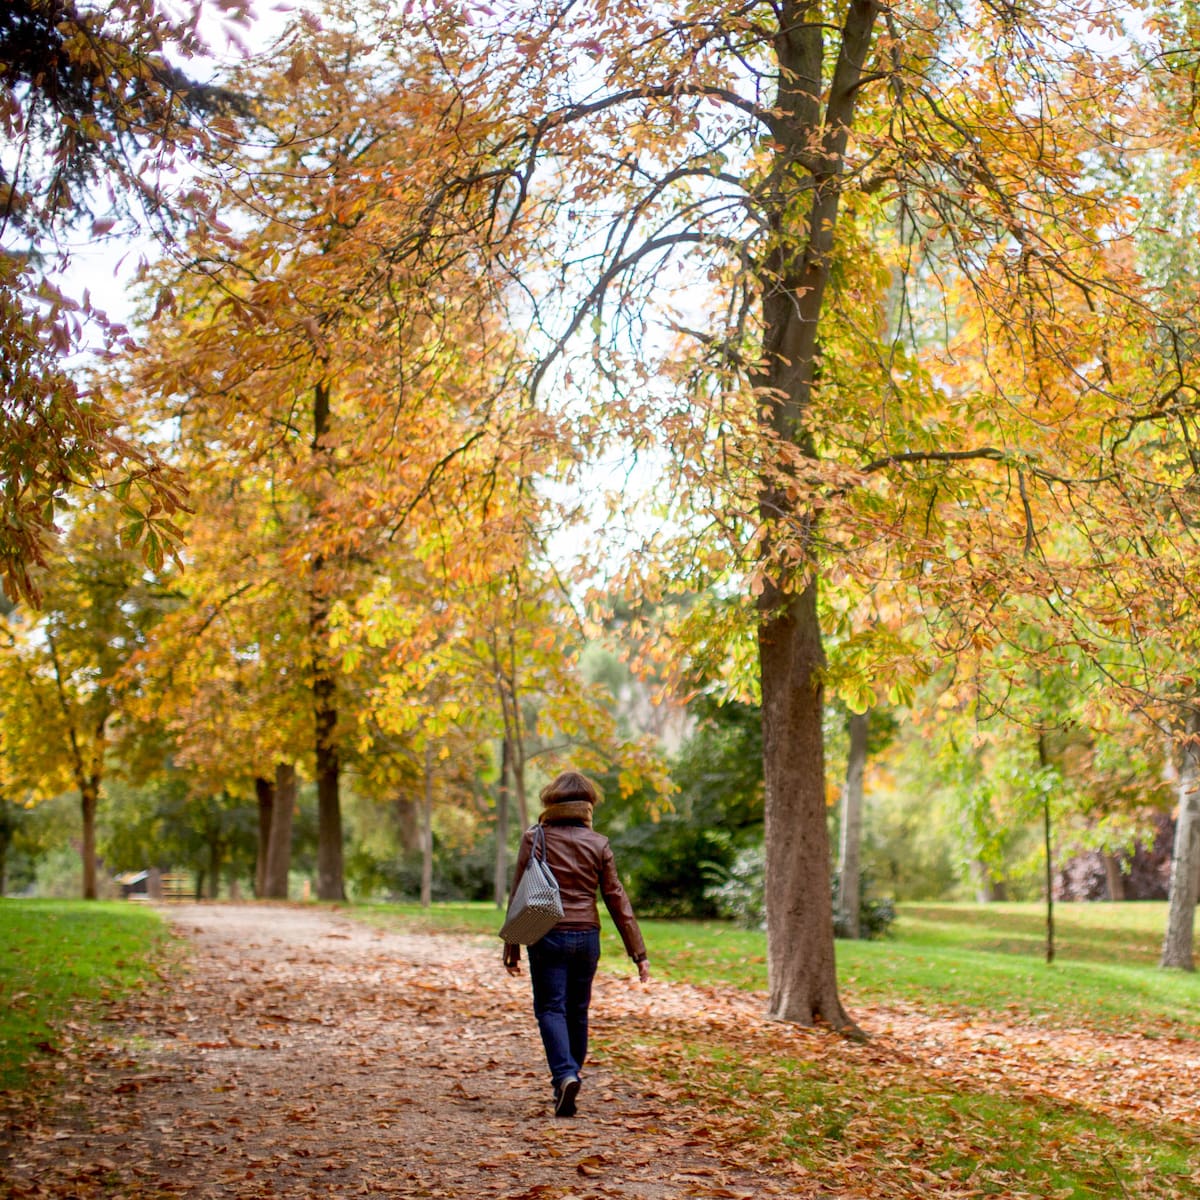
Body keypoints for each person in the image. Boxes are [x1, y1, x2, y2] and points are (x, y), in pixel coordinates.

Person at [503, 770, 650, 1118]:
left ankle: (565, 1075)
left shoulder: (535, 837)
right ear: (586, 806)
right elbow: (616, 898)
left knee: (551, 1009)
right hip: (587, 936)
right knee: (577, 1009)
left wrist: (511, 947)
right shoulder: (598, 844)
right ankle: (569, 1078)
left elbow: (518, 894)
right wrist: (638, 953)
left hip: (545, 932)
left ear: (551, 802)